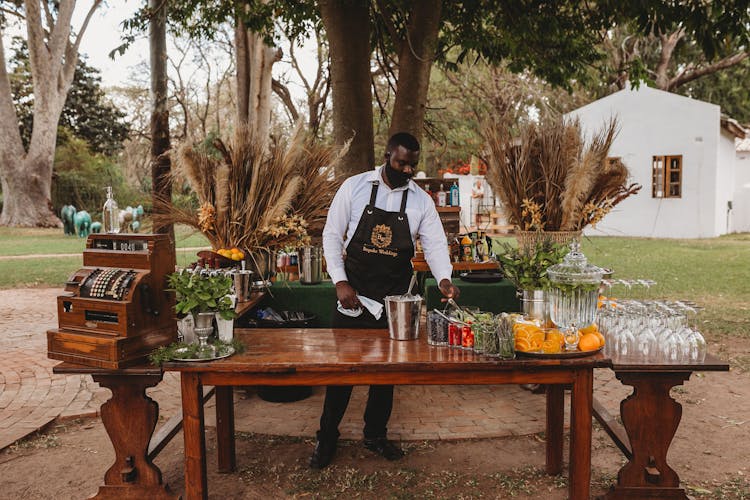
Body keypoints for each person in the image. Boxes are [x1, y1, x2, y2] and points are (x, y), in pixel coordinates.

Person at [311, 132, 460, 469]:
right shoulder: (355, 187)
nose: (407, 170)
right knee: (341, 374)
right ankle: (326, 437)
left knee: (385, 375)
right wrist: (340, 282)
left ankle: (375, 435)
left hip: (394, 301)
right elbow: (332, 235)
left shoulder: (421, 201)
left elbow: (435, 243)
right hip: (353, 296)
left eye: (412, 165)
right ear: (387, 155)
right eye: (401, 162)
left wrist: (445, 277)